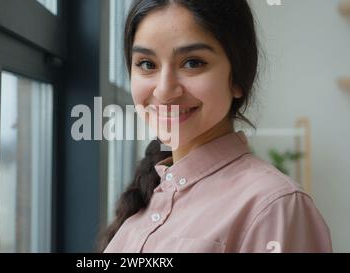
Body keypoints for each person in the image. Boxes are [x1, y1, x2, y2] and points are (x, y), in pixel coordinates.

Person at [99, 0, 332, 253]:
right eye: (147, 64)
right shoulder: (150, 194)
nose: (164, 91)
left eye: (193, 63)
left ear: (238, 78)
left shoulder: (275, 207)